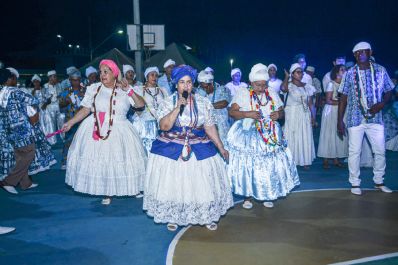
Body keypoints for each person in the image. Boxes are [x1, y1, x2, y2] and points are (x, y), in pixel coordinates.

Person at [143, 65, 233, 231]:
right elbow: (164, 126)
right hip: (172, 145)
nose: (186, 86)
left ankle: (206, 215)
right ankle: (173, 216)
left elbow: (210, 127)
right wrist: (178, 107)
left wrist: (221, 148)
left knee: (202, 183)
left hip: (198, 144)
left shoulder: (203, 102)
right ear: (176, 84)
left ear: (193, 84)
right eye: (182, 82)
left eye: (189, 82)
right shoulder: (167, 102)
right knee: (174, 184)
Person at [63, 59, 147, 205]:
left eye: (106, 72)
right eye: (101, 72)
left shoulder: (126, 89)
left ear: (115, 74)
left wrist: (130, 91)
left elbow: (140, 106)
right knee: (102, 160)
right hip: (96, 127)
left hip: (120, 128)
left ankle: (130, 187)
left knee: (120, 159)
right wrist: (71, 122)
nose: (102, 75)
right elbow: (86, 109)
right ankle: (106, 191)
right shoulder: (94, 89)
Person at [227, 63, 299, 209]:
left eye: (263, 85)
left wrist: (278, 114)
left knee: (268, 165)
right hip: (248, 133)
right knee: (249, 165)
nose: (261, 88)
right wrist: (247, 114)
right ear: (251, 82)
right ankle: (248, 196)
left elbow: (281, 110)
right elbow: (232, 112)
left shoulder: (271, 92)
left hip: (270, 132)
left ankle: (267, 193)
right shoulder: (243, 92)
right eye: (258, 85)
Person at [338, 41, 394, 195]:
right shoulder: (350, 73)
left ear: (370, 52)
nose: (360, 54)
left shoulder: (380, 70)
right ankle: (355, 183)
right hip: (354, 119)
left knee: (380, 151)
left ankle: (379, 181)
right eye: (357, 53)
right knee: (354, 152)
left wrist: (382, 103)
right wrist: (339, 121)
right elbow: (343, 97)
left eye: (363, 51)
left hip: (376, 119)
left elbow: (389, 89)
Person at [0, 69, 39, 194]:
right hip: (21, 129)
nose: (16, 81)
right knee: (29, 152)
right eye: (15, 78)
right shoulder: (15, 92)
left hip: (7, 129)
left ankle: (25, 183)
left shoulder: (1, 92)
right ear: (9, 79)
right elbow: (34, 100)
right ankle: (9, 181)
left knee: (19, 155)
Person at [283, 63, 316, 169]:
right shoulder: (289, 85)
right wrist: (286, 77)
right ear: (292, 74)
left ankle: (305, 160)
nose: (301, 74)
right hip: (291, 113)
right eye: (298, 72)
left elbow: (311, 103)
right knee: (291, 136)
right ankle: (290, 160)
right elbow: (283, 89)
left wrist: (313, 117)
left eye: (301, 72)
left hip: (304, 113)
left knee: (304, 135)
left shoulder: (307, 86)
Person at [130, 66, 168, 154]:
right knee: (145, 151)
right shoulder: (139, 89)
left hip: (160, 125)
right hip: (144, 125)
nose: (154, 77)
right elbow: (135, 106)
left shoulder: (163, 90)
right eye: (152, 75)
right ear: (146, 77)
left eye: (156, 75)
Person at [318, 65, 348, 168]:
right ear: (336, 72)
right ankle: (326, 159)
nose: (344, 71)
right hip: (331, 111)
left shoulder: (345, 85)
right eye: (342, 70)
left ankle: (336, 159)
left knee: (337, 135)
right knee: (329, 133)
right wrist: (342, 102)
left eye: (345, 70)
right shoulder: (331, 84)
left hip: (340, 111)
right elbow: (328, 100)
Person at [58, 70, 85, 170]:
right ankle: (65, 161)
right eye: (73, 80)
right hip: (70, 120)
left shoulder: (85, 91)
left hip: (83, 121)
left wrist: (84, 97)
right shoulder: (65, 92)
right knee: (68, 141)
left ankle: (82, 162)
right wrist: (67, 101)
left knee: (83, 142)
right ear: (70, 80)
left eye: (78, 80)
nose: (76, 82)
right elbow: (60, 107)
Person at [196, 70, 231, 144]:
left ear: (211, 83)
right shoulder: (199, 91)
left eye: (205, 87)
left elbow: (224, 103)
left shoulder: (222, 89)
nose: (204, 89)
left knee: (223, 145)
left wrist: (208, 105)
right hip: (206, 126)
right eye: (202, 87)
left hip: (222, 126)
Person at [43, 70, 63, 144]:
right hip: (49, 108)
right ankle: (52, 141)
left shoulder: (59, 85)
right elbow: (44, 99)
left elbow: (60, 95)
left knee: (60, 122)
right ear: (50, 78)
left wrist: (59, 98)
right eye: (54, 77)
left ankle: (62, 138)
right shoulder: (45, 86)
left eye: (56, 76)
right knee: (51, 125)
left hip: (58, 107)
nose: (56, 78)